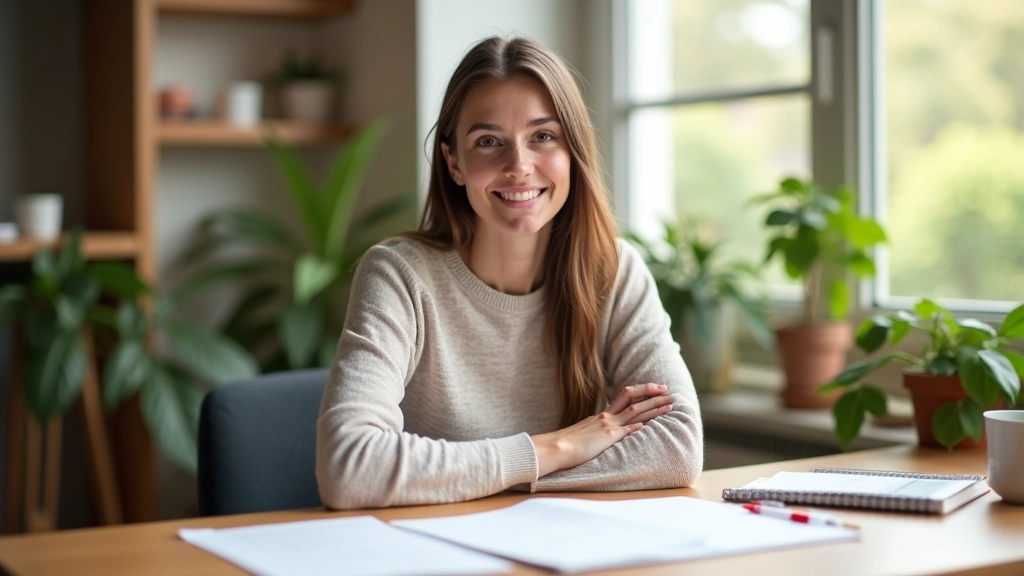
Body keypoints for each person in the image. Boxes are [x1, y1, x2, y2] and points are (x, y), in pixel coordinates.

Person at [316, 36, 703, 510]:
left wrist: (479, 476)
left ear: (573, 151)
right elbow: (350, 467)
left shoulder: (615, 271)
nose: (519, 166)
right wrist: (553, 448)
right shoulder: (398, 275)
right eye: (488, 142)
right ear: (453, 162)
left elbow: (678, 447)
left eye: (543, 136)